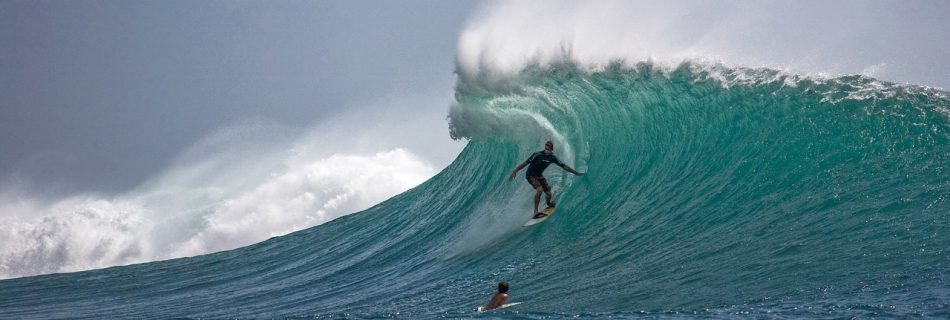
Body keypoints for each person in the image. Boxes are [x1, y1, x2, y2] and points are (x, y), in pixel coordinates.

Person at [508, 140, 583, 218]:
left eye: (548, 149)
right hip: (531, 175)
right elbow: (525, 163)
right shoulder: (537, 155)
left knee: (548, 193)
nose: (546, 151)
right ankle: (535, 212)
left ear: (551, 150)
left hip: (539, 175)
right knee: (539, 190)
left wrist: (575, 173)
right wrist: (515, 171)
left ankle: (548, 203)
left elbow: (564, 166)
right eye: (546, 149)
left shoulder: (552, 158)